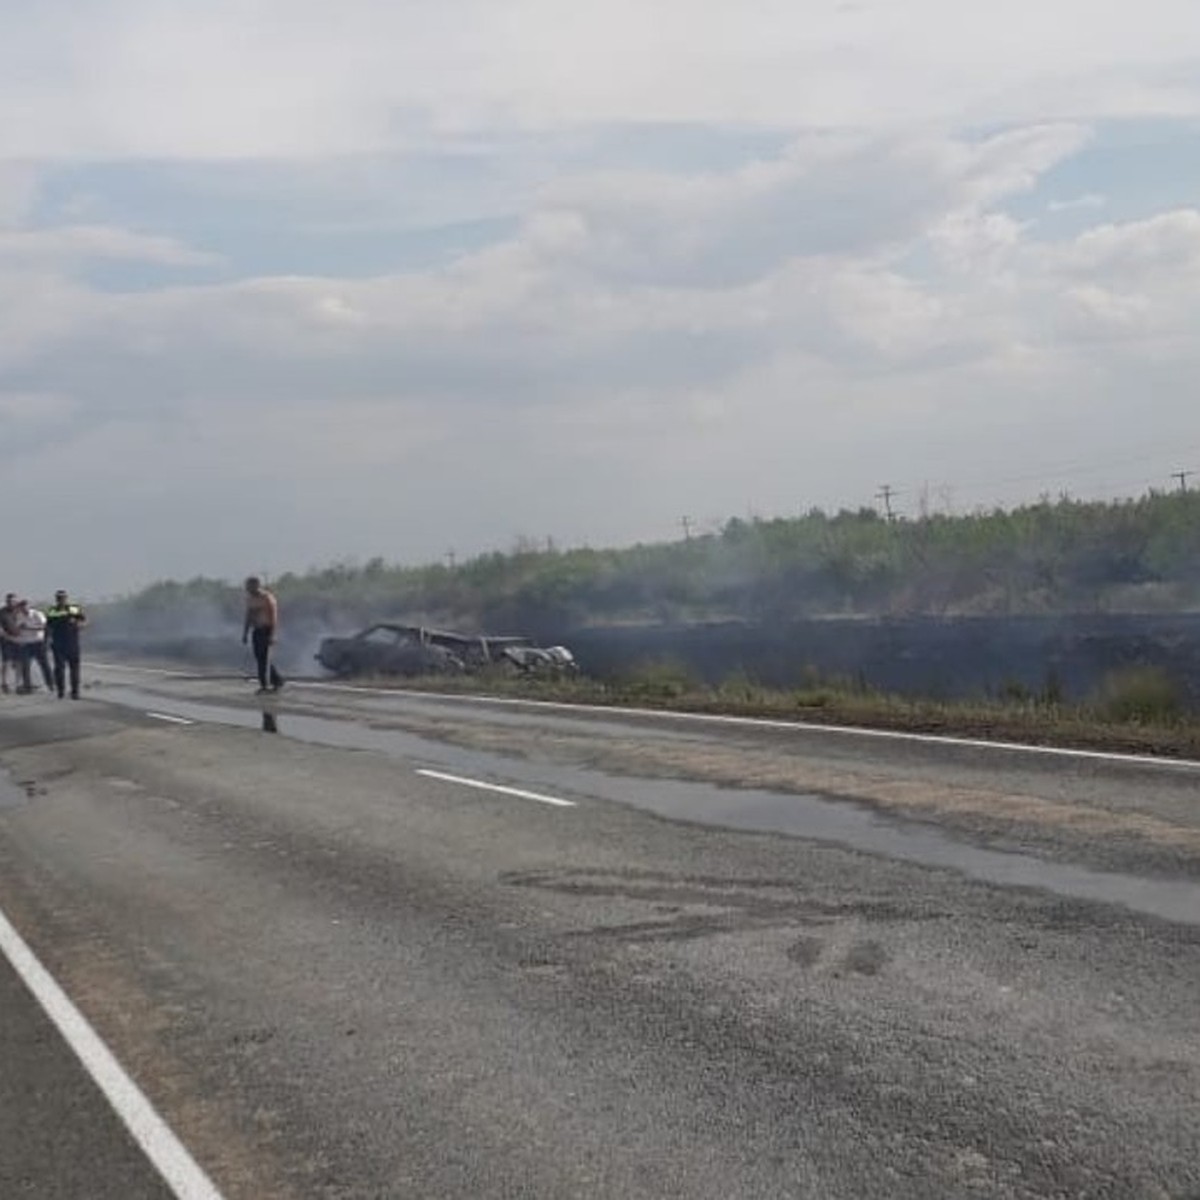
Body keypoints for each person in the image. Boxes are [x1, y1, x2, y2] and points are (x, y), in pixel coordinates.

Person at [242, 576, 284, 693]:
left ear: (256, 585)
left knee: (264, 658)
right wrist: (245, 633)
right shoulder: (250, 599)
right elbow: (248, 616)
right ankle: (277, 680)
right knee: (259, 658)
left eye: (249, 586)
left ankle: (264, 685)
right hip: (256, 630)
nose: (247, 588)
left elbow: (274, 618)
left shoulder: (267, 598)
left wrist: (273, 635)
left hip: (267, 630)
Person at [45, 590, 87, 700]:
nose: (61, 600)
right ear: (56, 599)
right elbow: (48, 626)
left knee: (74, 669)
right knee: (59, 669)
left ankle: (75, 692)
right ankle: (61, 691)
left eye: (63, 597)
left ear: (66, 598)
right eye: (59, 598)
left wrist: (79, 625)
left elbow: (83, 620)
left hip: (72, 643)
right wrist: (48, 640)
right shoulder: (52, 610)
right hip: (58, 643)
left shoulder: (73, 608)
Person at [14, 599, 52, 694]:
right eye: (21, 607)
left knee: (44, 664)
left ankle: (51, 684)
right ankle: (27, 686)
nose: (23, 609)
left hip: (38, 642)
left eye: (25, 607)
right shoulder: (19, 616)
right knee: (25, 665)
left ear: (28, 606)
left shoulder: (37, 614)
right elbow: (18, 627)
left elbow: (45, 627)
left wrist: (29, 628)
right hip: (26, 643)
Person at [0, 593, 20, 693]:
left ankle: (18, 684)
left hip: (19, 640)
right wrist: (4, 634)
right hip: (6, 640)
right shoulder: (2, 612)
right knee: (6, 662)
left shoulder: (19, 611)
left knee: (18, 662)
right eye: (9, 601)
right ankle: (4, 683)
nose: (11, 603)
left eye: (13, 601)